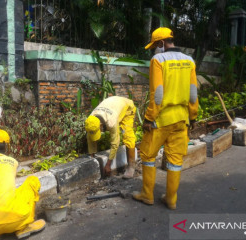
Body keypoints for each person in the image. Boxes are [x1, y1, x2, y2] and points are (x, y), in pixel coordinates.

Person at [132, 27, 199, 209]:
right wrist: (193, 117)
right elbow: (193, 94)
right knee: (175, 160)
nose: (154, 49)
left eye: (155, 45)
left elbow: (158, 94)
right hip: (181, 119)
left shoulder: (158, 60)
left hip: (161, 119)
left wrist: (148, 118)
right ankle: (171, 199)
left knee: (147, 154)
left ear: (162, 43)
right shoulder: (189, 61)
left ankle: (147, 195)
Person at [85, 96, 137, 178]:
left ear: (101, 125)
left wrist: (108, 164)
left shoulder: (111, 121)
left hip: (127, 108)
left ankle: (131, 166)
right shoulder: (91, 119)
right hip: (113, 105)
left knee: (127, 135)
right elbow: (89, 136)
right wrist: (92, 155)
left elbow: (115, 143)